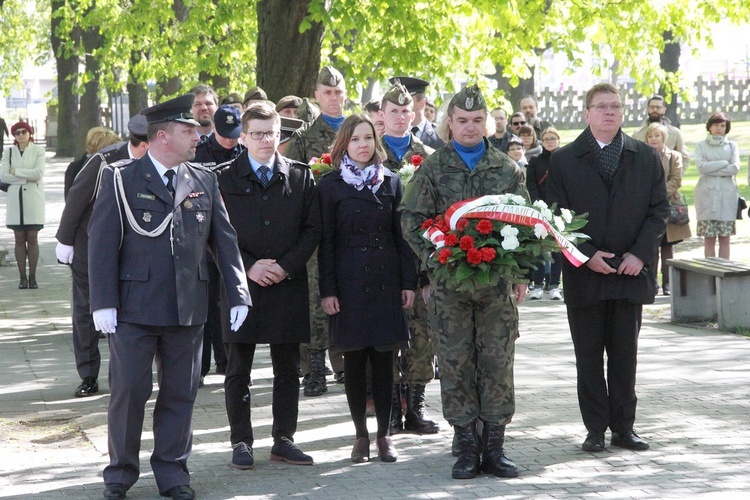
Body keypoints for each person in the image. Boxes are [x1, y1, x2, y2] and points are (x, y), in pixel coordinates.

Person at [87, 94, 251, 500]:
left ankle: (173, 473)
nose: (198, 135)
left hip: (187, 305)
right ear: (162, 136)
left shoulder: (203, 179)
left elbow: (225, 242)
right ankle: (120, 473)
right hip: (134, 308)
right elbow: (102, 243)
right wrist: (102, 302)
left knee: (181, 393)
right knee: (129, 393)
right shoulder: (120, 177)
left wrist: (239, 294)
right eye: (188, 130)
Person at [401, 84, 528, 480]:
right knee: (455, 363)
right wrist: (434, 261)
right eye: (461, 121)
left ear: (487, 124)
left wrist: (520, 272)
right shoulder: (433, 169)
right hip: (449, 288)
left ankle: (495, 445)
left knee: (497, 362)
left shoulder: (507, 169)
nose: (469, 127)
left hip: (495, 288)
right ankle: (466, 446)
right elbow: (411, 218)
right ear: (449, 124)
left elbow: (525, 223)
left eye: (476, 120)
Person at [547, 82, 668, 454]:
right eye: (601, 107)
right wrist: (586, 254)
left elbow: (658, 211)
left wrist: (639, 254)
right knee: (588, 356)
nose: (609, 112)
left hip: (630, 273)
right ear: (587, 114)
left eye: (615, 106)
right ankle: (595, 429)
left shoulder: (645, 157)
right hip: (586, 274)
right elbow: (555, 216)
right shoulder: (564, 160)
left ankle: (624, 428)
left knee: (624, 356)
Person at [218, 101, 321, 470]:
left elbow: (312, 229)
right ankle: (241, 442)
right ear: (242, 137)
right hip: (241, 286)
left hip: (285, 282)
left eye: (272, 134)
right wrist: (247, 267)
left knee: (287, 366)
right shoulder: (222, 178)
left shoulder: (299, 176)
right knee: (238, 368)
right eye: (257, 134)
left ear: (281, 136)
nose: (265, 140)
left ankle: (284, 439)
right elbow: (216, 234)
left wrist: (285, 266)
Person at [318, 114, 417, 463]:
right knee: (355, 361)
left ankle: (385, 435)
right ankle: (361, 434)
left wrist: (409, 282)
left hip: (386, 280)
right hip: (348, 282)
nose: (363, 145)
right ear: (344, 143)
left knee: (385, 360)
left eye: (368, 138)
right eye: (356, 139)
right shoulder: (330, 186)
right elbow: (326, 243)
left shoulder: (390, 181)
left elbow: (401, 236)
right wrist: (328, 290)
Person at [56, 115, 150, 398]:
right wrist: (65, 240)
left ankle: (121, 374)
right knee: (87, 312)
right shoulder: (103, 161)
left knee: (124, 315)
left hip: (130, 252)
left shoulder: (157, 163)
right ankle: (88, 374)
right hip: (89, 247)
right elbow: (76, 198)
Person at [377, 82, 439, 436]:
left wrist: (431, 271)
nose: (400, 117)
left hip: (418, 262)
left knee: (421, 336)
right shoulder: (369, 151)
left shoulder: (430, 157)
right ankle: (389, 409)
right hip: (382, 261)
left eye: (405, 112)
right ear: (382, 116)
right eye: (393, 112)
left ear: (414, 115)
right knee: (385, 336)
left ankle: (415, 405)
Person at [285, 65, 348, 396]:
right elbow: (292, 187)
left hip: (351, 232)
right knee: (314, 301)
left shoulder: (358, 132)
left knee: (348, 297)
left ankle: (347, 364)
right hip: (316, 232)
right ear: (317, 96)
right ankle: (314, 369)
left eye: (338, 92)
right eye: (328, 92)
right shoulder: (304, 138)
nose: (334, 98)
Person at [193, 105, 246, 385]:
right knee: (204, 305)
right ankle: (199, 368)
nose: (230, 141)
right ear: (214, 128)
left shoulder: (243, 154)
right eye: (225, 135)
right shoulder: (200, 153)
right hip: (203, 239)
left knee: (230, 304)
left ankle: (228, 363)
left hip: (232, 239)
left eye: (234, 135)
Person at [644, 123, 691, 295]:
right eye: (650, 136)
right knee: (651, 245)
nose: (653, 139)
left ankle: (668, 283)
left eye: (657, 135)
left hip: (668, 204)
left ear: (664, 138)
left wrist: (658, 194)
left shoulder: (674, 156)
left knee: (667, 246)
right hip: (647, 206)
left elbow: (676, 180)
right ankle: (652, 283)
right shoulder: (642, 156)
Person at [1, 121, 46, 289]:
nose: (21, 135)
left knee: (32, 238)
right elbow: (4, 176)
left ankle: (33, 277)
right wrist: (26, 177)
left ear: (29, 133)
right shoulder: (9, 152)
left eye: (23, 132)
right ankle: (22, 277)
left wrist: (16, 172)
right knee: (19, 238)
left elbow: (39, 173)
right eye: (17, 133)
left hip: (33, 200)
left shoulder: (38, 151)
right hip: (15, 201)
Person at [694, 112, 739, 259]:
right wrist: (724, 163)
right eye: (716, 125)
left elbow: (735, 168)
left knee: (725, 238)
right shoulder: (701, 145)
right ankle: (710, 272)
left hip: (727, 196)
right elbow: (701, 168)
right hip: (706, 195)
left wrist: (712, 167)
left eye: (722, 125)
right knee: (709, 239)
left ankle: (725, 271)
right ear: (709, 127)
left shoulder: (732, 145)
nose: (719, 129)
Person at [526, 127, 563, 300]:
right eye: (546, 138)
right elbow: (531, 184)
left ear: (558, 140)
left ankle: (555, 285)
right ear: (541, 141)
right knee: (540, 248)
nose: (550, 141)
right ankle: (538, 285)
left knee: (557, 248)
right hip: (540, 209)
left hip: (560, 210)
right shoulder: (535, 160)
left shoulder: (565, 159)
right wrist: (538, 205)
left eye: (553, 138)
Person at [632, 94, 689, 166]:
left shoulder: (675, 133)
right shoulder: (637, 134)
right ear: (648, 109)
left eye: (658, 107)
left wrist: (676, 175)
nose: (655, 110)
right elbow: (631, 159)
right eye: (652, 107)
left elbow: (684, 158)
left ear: (664, 109)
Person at [63, 127, 120, 198]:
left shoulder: (117, 164)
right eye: (112, 145)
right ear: (101, 146)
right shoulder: (76, 168)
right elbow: (70, 200)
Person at [391, 76, 445, 150]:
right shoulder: (392, 134)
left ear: (422, 103)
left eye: (407, 100)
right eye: (400, 100)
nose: (402, 104)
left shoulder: (440, 135)